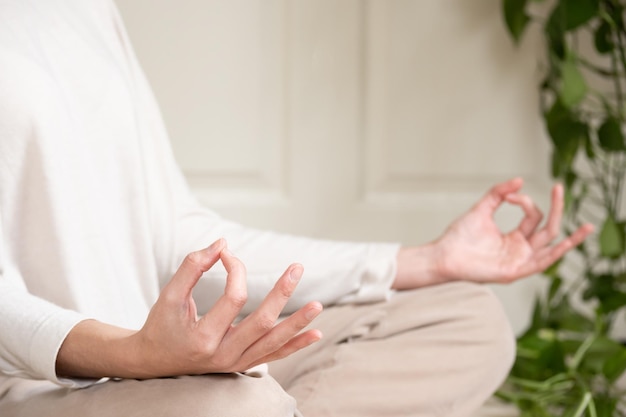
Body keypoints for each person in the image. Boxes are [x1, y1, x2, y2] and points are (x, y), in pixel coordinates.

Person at [0, 1, 593, 416]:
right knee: (241, 403)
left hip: (158, 362)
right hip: (39, 387)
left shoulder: (81, 7)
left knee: (467, 322)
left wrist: (425, 259)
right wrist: (130, 355)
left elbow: (171, 233)